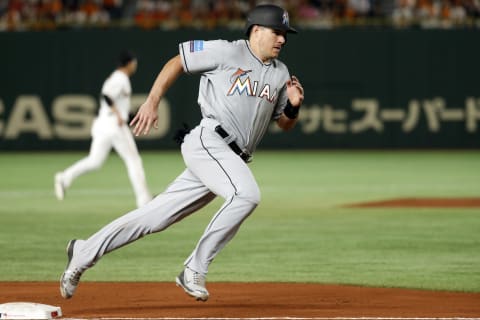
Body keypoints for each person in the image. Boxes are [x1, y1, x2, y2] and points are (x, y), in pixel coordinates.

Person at [59, 4, 304, 302]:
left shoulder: (281, 73)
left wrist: (293, 105)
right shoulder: (227, 51)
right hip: (209, 142)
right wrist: (151, 101)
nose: (283, 39)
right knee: (246, 194)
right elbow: (177, 62)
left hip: (229, 160)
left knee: (153, 218)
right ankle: (194, 269)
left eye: (285, 34)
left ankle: (84, 251)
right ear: (256, 30)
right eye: (277, 32)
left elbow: (284, 124)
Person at [54, 51, 152, 208]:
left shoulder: (116, 77)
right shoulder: (121, 78)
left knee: (95, 161)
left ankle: (64, 177)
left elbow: (116, 102)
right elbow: (107, 95)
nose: (136, 65)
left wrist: (131, 115)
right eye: (134, 62)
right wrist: (118, 114)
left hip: (103, 123)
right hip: (114, 125)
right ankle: (144, 200)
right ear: (129, 63)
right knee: (133, 160)